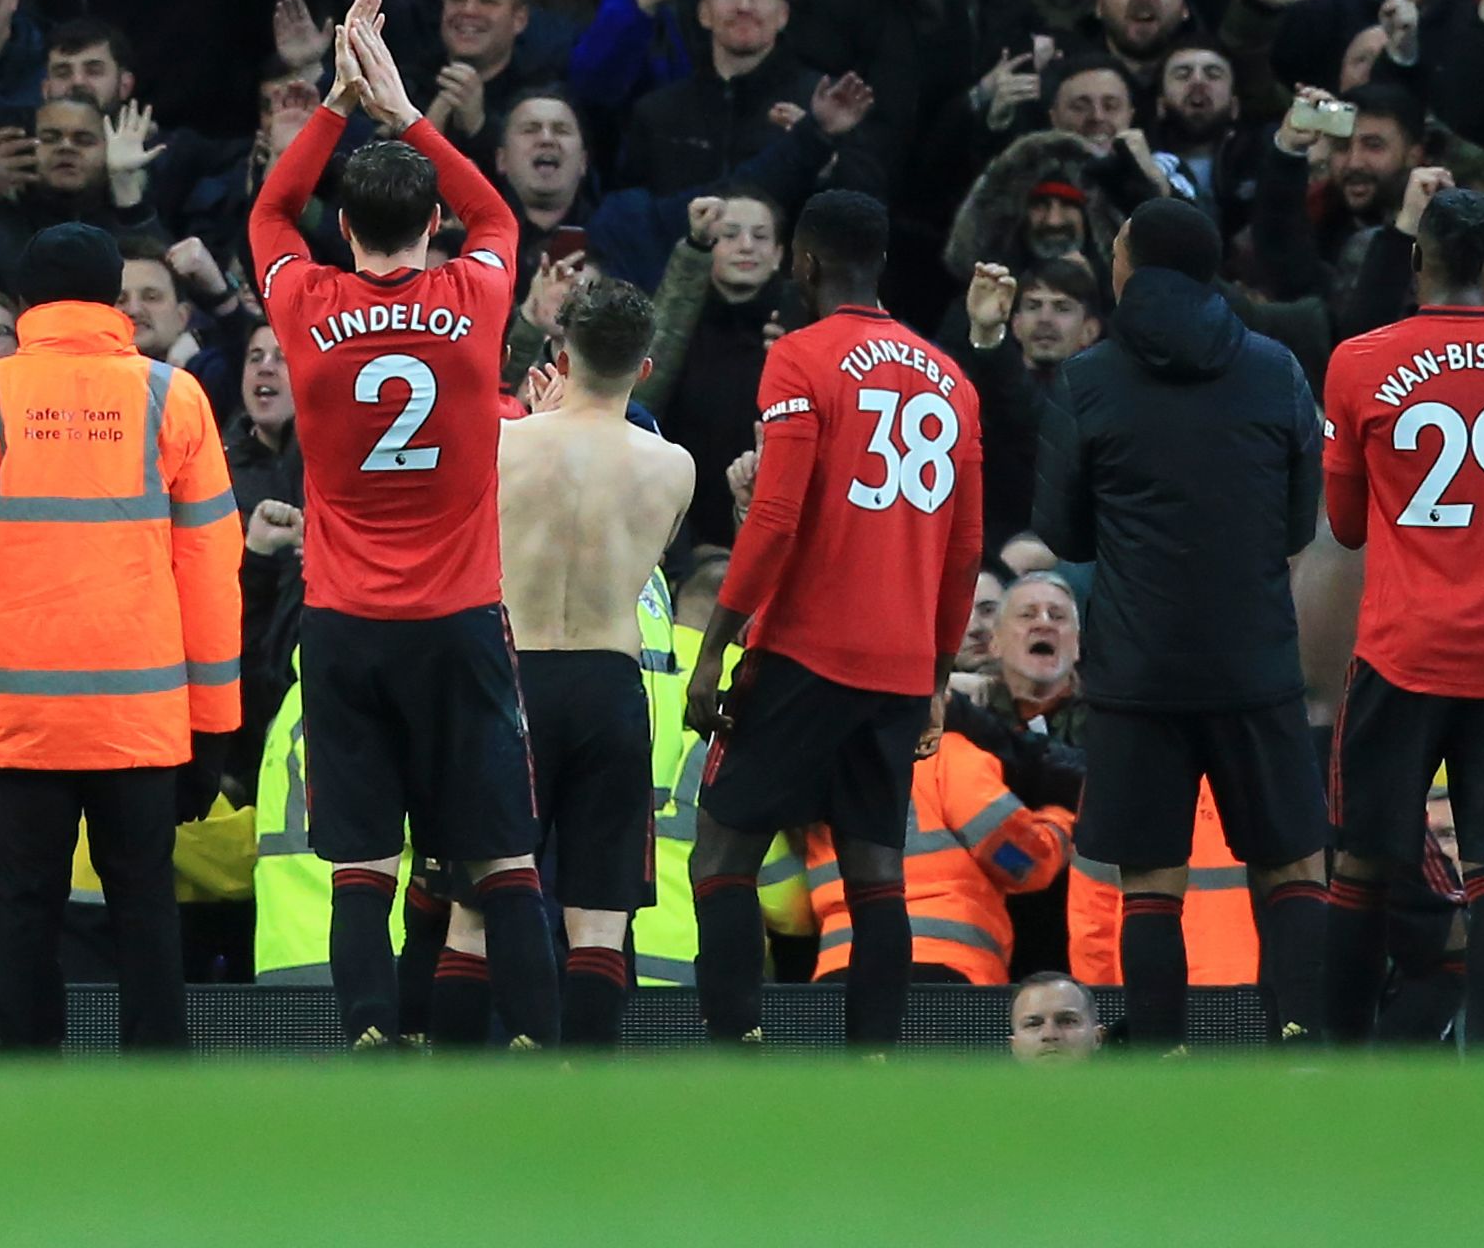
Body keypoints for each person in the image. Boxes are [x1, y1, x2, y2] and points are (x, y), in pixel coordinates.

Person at [253, 0, 552, 1050]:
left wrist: (332, 108)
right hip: (460, 618)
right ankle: (531, 1046)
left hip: (342, 622)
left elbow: (265, 214)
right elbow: (501, 214)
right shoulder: (473, 299)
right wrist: (402, 110)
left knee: (360, 866)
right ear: (430, 226)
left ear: (343, 230)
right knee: (500, 858)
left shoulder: (306, 305)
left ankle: (373, 1035)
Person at [0, 208, 243, 1054]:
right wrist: (213, 724)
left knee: (26, 903)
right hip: (145, 717)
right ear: (115, 299)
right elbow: (212, 568)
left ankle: (25, 1081)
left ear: (24, 303)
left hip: (20, 720)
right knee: (145, 902)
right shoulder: (174, 395)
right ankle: (157, 1086)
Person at [685, 189, 979, 1048]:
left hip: (805, 649)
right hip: (896, 665)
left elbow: (773, 519)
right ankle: (874, 1066)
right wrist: (934, 677)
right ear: (880, 264)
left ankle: (736, 1045)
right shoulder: (951, 378)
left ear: (802, 263)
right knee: (877, 871)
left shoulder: (802, 360)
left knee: (721, 855)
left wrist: (716, 650)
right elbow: (964, 550)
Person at [1039, 197, 1328, 1046]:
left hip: (1139, 669)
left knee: (1151, 882)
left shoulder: (1088, 377)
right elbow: (1295, 525)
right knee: (1291, 866)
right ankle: (1303, 1048)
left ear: (1134, 268)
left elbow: (1061, 532)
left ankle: (1162, 1056)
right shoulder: (1277, 369)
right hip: (1256, 665)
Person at [1318, 191, 1484, 1049]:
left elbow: (1350, 525)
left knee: (1362, 861)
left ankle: (1342, 1062)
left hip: (1402, 648)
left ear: (1415, 261)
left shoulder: (1359, 361)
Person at [495, 275, 691, 1044]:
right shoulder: (674, 466)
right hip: (611, 687)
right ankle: (584, 1090)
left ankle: (483, 1068)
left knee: (483, 904)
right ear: (644, 369)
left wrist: (537, 422)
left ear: (561, 352)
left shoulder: (503, 444)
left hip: (516, 682)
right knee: (601, 921)